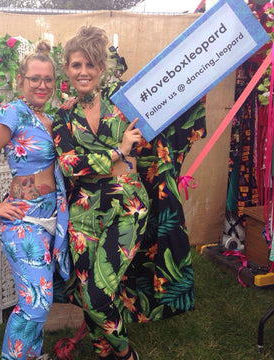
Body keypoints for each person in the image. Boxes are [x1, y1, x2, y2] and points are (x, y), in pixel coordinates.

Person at [52, 25, 206, 360]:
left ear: (101, 69)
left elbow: (174, 97)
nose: (83, 72)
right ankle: (103, 352)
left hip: (127, 207)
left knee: (97, 294)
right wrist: (119, 153)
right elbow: (69, 165)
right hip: (83, 213)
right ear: (67, 69)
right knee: (88, 292)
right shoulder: (63, 116)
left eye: (90, 65)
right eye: (76, 65)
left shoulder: (125, 104)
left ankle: (125, 354)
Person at [0, 41, 70, 360]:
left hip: (50, 221)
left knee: (37, 299)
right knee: (36, 303)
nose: (42, 85)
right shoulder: (13, 112)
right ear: (21, 80)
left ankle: (32, 355)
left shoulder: (50, 119)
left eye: (48, 79)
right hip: (23, 223)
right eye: (35, 78)